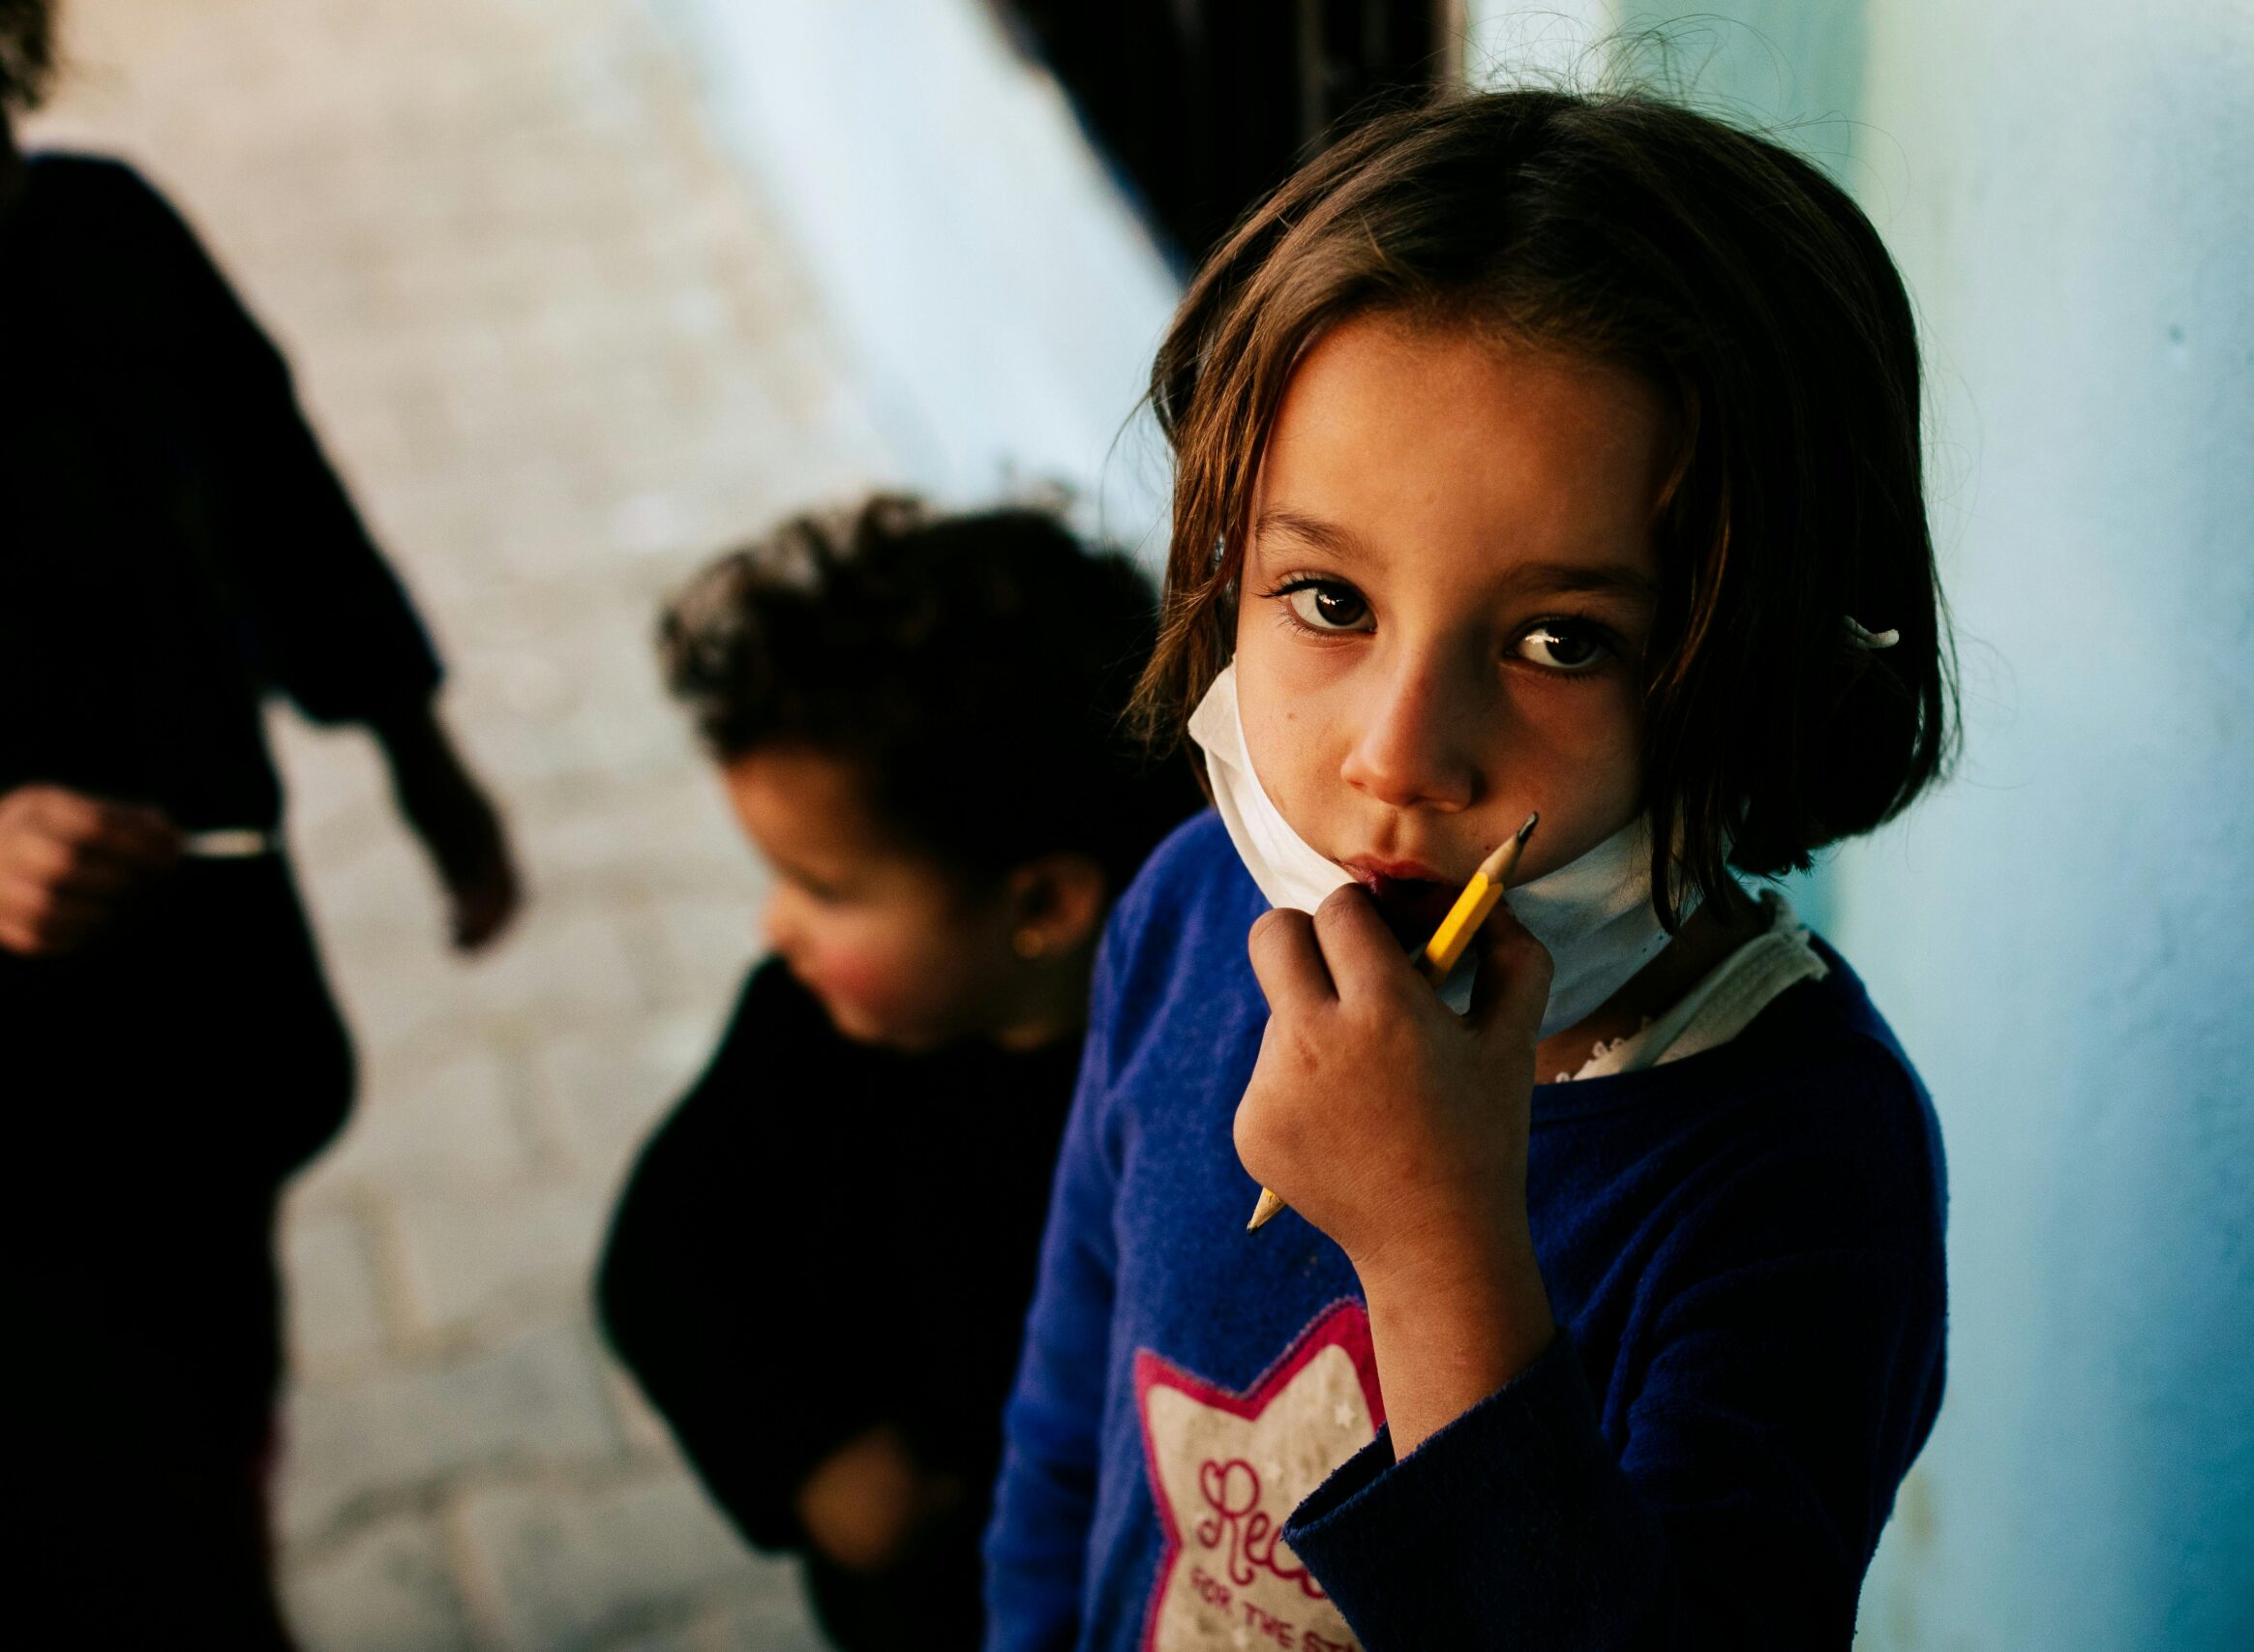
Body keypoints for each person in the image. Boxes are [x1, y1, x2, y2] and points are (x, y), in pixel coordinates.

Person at [984, 88, 1955, 1650]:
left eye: (1560, 639)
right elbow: (1064, 1428)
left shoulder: (1796, 1164)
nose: (1398, 750)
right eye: (1326, 597)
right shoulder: (1183, 912)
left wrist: (1436, 1248)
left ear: (1765, 669)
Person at [0, 3, 519, 1644]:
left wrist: (422, 757)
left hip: (194, 1013)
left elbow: (282, 508)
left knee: (212, 1382)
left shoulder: (94, 233)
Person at [595, 496, 1196, 1652]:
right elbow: (664, 1251)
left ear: (1041, 904)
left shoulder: (1189, 1076)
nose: (779, 928)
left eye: (825, 890)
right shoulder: (808, 1028)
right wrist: (810, 1450)